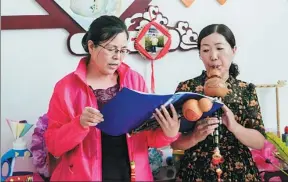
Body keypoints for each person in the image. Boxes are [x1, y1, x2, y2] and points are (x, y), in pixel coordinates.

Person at [44, 15, 180, 181]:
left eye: (123, 50)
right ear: (91, 46)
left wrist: (169, 133)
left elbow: (147, 137)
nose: (118, 57)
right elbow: (54, 146)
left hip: (132, 174)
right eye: (111, 49)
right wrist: (78, 124)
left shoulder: (134, 80)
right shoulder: (66, 88)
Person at [171, 24, 266, 182]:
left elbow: (259, 142)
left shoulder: (245, 90)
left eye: (220, 48)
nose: (213, 56)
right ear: (200, 55)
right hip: (195, 172)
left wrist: (235, 127)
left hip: (240, 173)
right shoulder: (187, 89)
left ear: (233, 50)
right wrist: (194, 137)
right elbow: (174, 143)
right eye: (206, 50)